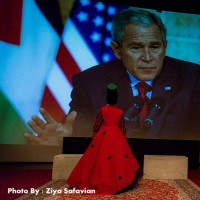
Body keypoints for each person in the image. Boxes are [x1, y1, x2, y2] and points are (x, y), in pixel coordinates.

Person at [24, 7, 200, 146]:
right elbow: (77, 131)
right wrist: (68, 141)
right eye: (136, 48)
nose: (147, 57)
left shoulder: (192, 78)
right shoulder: (89, 83)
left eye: (154, 47)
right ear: (117, 50)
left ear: (164, 46)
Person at [66, 83, 140, 195]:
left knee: (98, 161)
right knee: (118, 161)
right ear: (116, 98)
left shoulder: (102, 110)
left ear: (107, 97)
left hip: (103, 135)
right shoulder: (119, 112)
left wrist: (95, 137)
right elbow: (122, 128)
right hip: (117, 136)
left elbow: (97, 125)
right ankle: (117, 183)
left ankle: (96, 181)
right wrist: (121, 138)